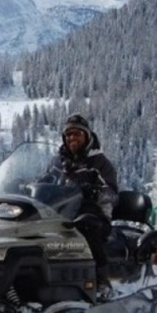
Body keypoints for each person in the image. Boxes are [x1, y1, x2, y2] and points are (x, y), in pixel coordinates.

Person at [44, 113, 119, 301]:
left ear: (86, 136)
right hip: (61, 213)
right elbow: (44, 182)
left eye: (76, 134)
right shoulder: (58, 163)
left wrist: (94, 192)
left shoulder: (99, 162)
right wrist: (25, 185)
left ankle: (102, 283)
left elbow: (113, 193)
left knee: (87, 227)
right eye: (68, 135)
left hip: (95, 214)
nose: (72, 138)